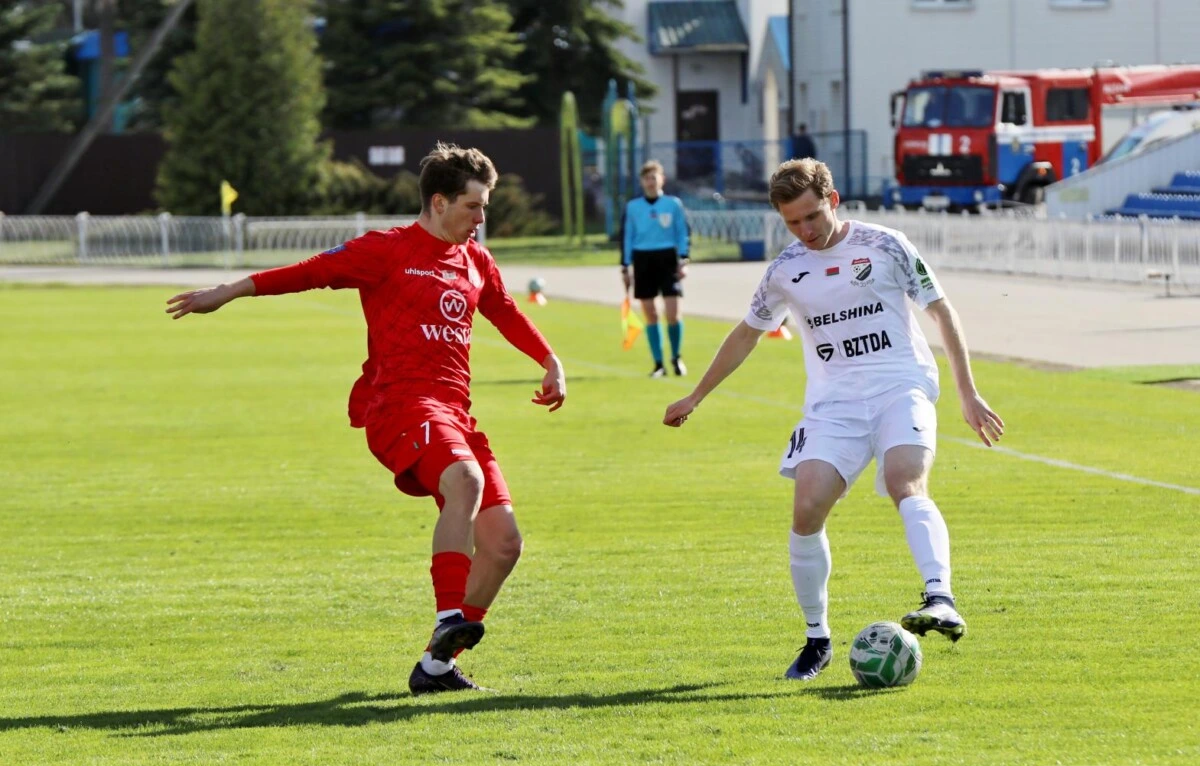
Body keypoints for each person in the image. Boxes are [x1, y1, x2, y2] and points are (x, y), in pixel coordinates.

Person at [165, 143, 567, 695]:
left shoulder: (476, 260)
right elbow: (309, 272)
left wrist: (549, 360)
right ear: (439, 201)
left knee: (503, 545)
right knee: (466, 480)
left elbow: (505, 310)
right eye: (473, 206)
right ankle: (449, 616)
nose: (481, 218)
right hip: (399, 405)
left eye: (485, 207)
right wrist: (228, 291)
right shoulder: (387, 249)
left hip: (455, 413)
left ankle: (435, 668)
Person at [663, 158, 1003, 681]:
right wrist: (696, 395)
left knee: (905, 481)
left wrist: (968, 393)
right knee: (807, 508)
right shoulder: (785, 270)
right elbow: (747, 333)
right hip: (834, 404)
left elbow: (940, 310)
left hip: (900, 385)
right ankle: (817, 639)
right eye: (792, 222)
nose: (805, 230)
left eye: (812, 216)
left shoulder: (885, 244)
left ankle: (940, 598)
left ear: (833, 200)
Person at [620, 159, 691, 377]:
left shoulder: (673, 204)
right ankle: (658, 364)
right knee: (650, 314)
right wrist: (625, 266)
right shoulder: (633, 207)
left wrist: (684, 259)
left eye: (654, 177)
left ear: (662, 179)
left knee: (673, 313)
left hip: (667, 258)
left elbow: (682, 231)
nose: (650, 182)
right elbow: (627, 236)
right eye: (646, 178)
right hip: (643, 260)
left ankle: (676, 357)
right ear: (641, 182)